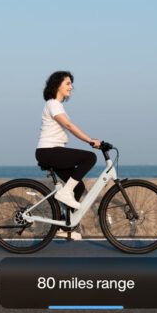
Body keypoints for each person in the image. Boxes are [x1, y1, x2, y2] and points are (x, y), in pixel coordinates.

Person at [35, 71, 101, 214]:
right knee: (90, 157)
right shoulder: (53, 104)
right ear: (57, 85)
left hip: (52, 152)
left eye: (71, 84)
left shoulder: (56, 105)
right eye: (68, 83)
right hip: (49, 151)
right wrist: (90, 140)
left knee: (78, 187)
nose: (71, 87)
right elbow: (69, 126)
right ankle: (65, 194)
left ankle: (64, 226)